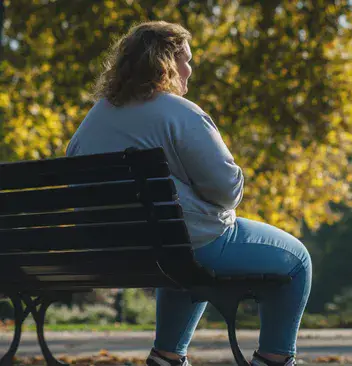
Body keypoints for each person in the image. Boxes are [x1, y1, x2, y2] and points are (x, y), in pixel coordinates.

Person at [66, 21, 311, 366]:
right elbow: (226, 190)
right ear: (166, 63)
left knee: (175, 247)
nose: (190, 69)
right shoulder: (180, 113)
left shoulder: (96, 117)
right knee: (297, 259)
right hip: (184, 244)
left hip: (112, 249)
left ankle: (166, 356)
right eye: (187, 59)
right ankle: (274, 360)